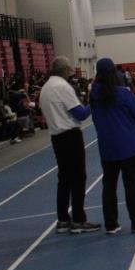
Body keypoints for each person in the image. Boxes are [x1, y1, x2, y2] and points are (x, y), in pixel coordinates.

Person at [89, 58, 135, 234]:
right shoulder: (122, 93)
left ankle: (111, 223)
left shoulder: (94, 95)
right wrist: (131, 129)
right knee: (131, 185)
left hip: (106, 147)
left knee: (109, 186)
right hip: (127, 145)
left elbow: (95, 119)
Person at [39, 57, 100, 234]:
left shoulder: (45, 88)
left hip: (56, 137)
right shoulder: (63, 87)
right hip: (70, 136)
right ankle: (79, 219)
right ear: (65, 70)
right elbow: (80, 114)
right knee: (78, 177)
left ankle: (63, 219)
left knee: (64, 178)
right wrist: (92, 103)